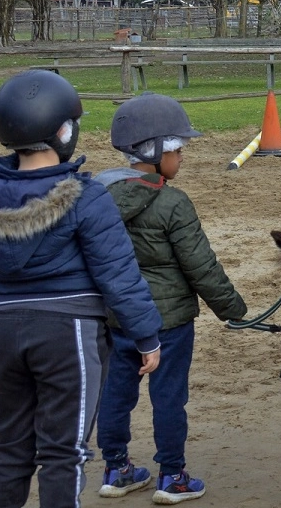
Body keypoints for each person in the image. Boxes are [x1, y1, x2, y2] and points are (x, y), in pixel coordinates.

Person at [0, 70, 163, 508]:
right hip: (68, 335)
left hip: (3, 332)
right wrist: (146, 334)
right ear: (64, 131)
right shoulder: (86, 197)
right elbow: (118, 273)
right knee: (63, 453)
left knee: (8, 449)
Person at [93, 93, 248, 503]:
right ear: (157, 150)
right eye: (178, 150)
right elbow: (201, 267)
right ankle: (173, 476)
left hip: (115, 317)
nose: (182, 158)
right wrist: (234, 310)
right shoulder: (173, 202)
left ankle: (116, 468)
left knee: (115, 394)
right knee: (169, 397)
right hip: (168, 322)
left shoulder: (99, 197)